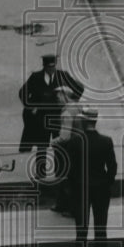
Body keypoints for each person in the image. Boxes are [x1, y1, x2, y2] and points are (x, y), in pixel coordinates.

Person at [18, 53, 84, 178]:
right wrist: (31, 106)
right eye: (48, 67)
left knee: (59, 145)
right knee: (41, 145)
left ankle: (60, 173)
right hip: (41, 118)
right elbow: (22, 92)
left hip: (57, 117)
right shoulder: (35, 77)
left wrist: (71, 101)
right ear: (44, 66)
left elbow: (79, 89)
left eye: (52, 67)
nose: (51, 69)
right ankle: (40, 172)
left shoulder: (63, 75)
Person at [71, 108, 118, 247]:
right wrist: (107, 182)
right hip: (101, 188)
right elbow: (112, 167)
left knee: (81, 228)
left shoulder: (76, 141)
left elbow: (71, 169)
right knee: (101, 225)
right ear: (95, 121)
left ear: (84, 122)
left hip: (81, 188)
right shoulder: (106, 141)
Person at [50, 85, 82, 216]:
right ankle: (63, 205)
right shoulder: (78, 107)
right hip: (80, 147)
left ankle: (72, 209)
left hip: (69, 151)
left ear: (65, 95)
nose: (57, 98)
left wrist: (53, 141)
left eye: (58, 96)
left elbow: (65, 136)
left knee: (68, 180)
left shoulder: (67, 112)